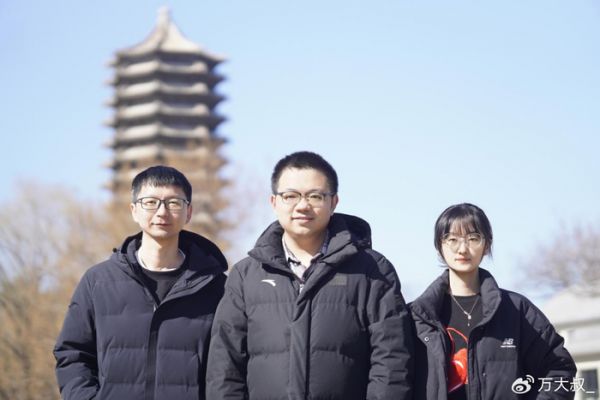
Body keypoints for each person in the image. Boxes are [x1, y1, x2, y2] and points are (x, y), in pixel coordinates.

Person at [206, 151, 414, 400]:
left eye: (315, 196)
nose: (302, 206)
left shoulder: (372, 270)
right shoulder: (246, 275)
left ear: (333, 202)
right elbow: (224, 366)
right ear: (274, 202)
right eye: (290, 196)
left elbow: (392, 361)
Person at [53, 166, 227, 400]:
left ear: (189, 212)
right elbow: (73, 354)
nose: (162, 212)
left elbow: (228, 366)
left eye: (174, 203)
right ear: (134, 210)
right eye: (151, 202)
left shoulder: (216, 287)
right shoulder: (98, 282)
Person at [410, 203, 576, 400]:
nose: (462, 249)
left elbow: (559, 369)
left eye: (473, 238)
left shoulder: (516, 310)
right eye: (452, 239)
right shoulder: (417, 317)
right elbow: (394, 378)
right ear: (439, 246)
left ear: (487, 245)